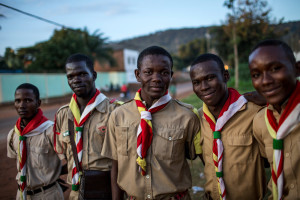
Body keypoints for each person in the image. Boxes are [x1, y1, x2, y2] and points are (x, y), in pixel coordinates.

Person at [101, 46, 201, 200]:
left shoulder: (187, 116)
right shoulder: (118, 116)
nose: (156, 78)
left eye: (164, 72)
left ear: (171, 76)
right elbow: (116, 164)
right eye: (148, 72)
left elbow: (202, 156)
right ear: (137, 75)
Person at [190, 53, 266, 200]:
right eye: (196, 82)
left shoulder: (254, 112)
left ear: (225, 76)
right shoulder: (197, 119)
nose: (204, 87)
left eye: (210, 78)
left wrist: (269, 99)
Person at [54, 53, 121, 200]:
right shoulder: (63, 115)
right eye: (70, 76)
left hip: (107, 191)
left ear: (94, 75)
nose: (76, 80)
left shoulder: (115, 111)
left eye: (83, 74)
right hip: (76, 193)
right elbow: (67, 154)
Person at [249, 39, 300, 199]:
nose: (266, 81)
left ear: (297, 69)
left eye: (275, 68)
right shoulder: (260, 121)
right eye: (256, 75)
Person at [7, 83, 64, 200]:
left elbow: (73, 160)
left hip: (47, 194)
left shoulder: (51, 131)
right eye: (18, 101)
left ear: (38, 103)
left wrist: (55, 173)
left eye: (28, 100)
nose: (22, 105)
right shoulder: (14, 133)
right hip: (22, 194)